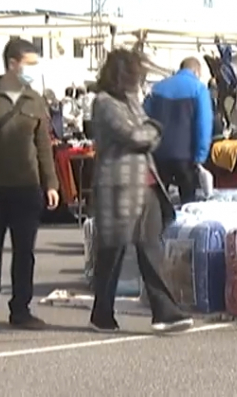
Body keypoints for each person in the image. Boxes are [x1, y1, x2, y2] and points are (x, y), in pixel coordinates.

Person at [89, 47, 192, 333]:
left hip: (146, 185)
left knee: (150, 248)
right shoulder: (104, 102)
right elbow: (134, 135)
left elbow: (142, 131)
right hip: (118, 187)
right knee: (112, 252)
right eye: (134, 76)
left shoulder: (131, 101)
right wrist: (155, 131)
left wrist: (149, 131)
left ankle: (165, 312)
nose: (138, 82)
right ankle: (102, 312)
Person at [0, 38, 60, 328]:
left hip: (27, 187)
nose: (33, 69)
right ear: (13, 64)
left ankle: (21, 308)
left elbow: (43, 145)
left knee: (24, 251)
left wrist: (51, 183)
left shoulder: (34, 99)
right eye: (30, 63)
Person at [144, 58, 213, 205]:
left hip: (159, 155)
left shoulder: (157, 88)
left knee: (158, 203)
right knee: (188, 205)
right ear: (196, 71)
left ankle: (159, 227)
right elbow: (204, 125)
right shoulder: (199, 89)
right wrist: (200, 157)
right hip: (186, 158)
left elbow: (144, 118)